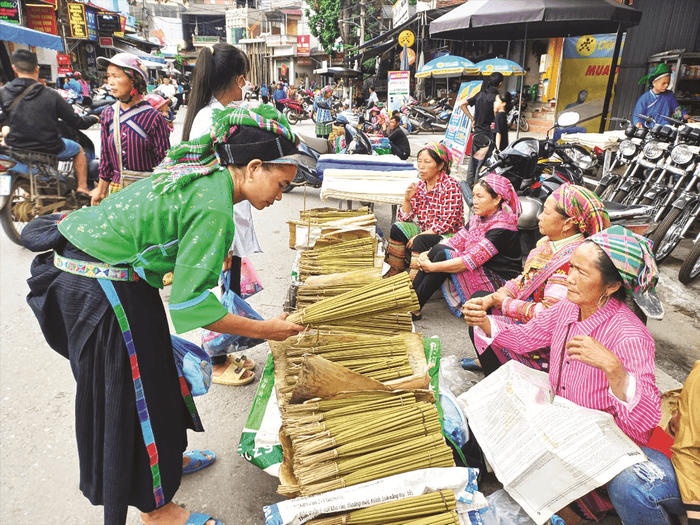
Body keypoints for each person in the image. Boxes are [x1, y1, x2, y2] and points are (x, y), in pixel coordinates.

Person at [22, 104, 305, 525]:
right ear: (254, 167)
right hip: (100, 283)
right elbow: (192, 307)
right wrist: (269, 330)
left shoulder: (207, 174)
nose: (281, 195)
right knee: (134, 392)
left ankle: (164, 461)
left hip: (115, 275)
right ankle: (157, 510)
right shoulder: (214, 208)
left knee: (156, 376)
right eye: (281, 184)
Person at [464, 226, 667, 522]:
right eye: (571, 266)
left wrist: (615, 370)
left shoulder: (630, 335)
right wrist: (484, 323)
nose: (569, 278)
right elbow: (527, 337)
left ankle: (574, 508)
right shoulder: (568, 308)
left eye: (581, 273)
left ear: (610, 287)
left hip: (601, 438)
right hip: (564, 417)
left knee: (612, 486)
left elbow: (646, 423)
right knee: (496, 404)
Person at [462, 184, 610, 373]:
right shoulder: (548, 242)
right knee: (480, 300)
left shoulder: (573, 262)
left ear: (567, 223)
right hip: (533, 312)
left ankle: (506, 376)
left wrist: (505, 303)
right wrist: (492, 298)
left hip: (550, 337)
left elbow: (548, 316)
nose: (539, 217)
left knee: (479, 322)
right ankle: (490, 361)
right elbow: (525, 279)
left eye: (546, 213)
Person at [182, 42, 263, 386]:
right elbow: (209, 180)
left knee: (227, 287)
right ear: (236, 78)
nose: (245, 84)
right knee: (218, 289)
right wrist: (224, 240)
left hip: (228, 217)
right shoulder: (209, 118)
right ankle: (214, 359)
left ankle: (222, 350)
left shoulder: (214, 113)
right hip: (219, 220)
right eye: (243, 78)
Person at [412, 173, 522, 318]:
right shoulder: (478, 218)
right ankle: (411, 300)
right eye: (474, 196)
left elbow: (469, 261)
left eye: (480, 197)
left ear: (496, 199)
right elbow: (455, 241)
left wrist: (431, 267)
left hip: (499, 282)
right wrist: (428, 253)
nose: (474, 201)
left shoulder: (502, 227)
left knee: (443, 254)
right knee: (439, 249)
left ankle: (414, 305)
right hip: (481, 268)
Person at [0, 50, 98, 198]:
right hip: (49, 147)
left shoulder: (3, 92)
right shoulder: (51, 94)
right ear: (37, 68)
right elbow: (76, 122)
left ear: (14, 68)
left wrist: (6, 128)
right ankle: (83, 187)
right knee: (78, 150)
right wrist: (93, 119)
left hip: (16, 147)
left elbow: (4, 119)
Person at [91, 53, 170, 206]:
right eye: (108, 76)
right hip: (117, 194)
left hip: (147, 197)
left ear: (134, 80)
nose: (110, 83)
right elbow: (106, 160)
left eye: (116, 76)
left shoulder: (153, 118)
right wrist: (100, 192)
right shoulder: (108, 114)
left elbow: (165, 163)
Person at [385, 142, 464, 278]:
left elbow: (447, 224)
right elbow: (405, 219)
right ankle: (395, 272)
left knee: (420, 241)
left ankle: (414, 281)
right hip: (425, 231)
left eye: (427, 162)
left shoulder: (450, 186)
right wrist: (407, 199)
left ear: (440, 165)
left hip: (448, 235)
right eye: (419, 161)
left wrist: (420, 236)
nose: (421, 166)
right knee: (396, 228)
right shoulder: (420, 185)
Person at [461, 72, 504, 188]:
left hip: (477, 133)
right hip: (488, 134)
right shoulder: (498, 98)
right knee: (483, 163)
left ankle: (468, 185)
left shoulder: (479, 94)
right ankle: (477, 187)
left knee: (473, 162)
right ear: (500, 84)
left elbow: (463, 105)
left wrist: (472, 118)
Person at [634, 63, 694, 128]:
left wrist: (687, 117)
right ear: (654, 82)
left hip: (666, 129)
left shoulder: (670, 95)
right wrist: (638, 123)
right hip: (649, 130)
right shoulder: (644, 98)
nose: (666, 85)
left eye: (668, 83)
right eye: (663, 83)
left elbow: (677, 110)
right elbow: (637, 116)